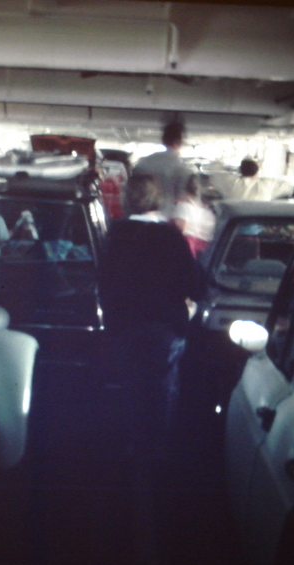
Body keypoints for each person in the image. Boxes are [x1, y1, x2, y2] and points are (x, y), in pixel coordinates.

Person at [99, 174, 205, 449]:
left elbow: (103, 283)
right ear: (158, 200)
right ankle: (158, 449)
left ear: (127, 200)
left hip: (125, 326)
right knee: (162, 391)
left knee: (130, 389)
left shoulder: (115, 235)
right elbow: (195, 286)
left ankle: (132, 448)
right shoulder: (171, 237)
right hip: (165, 327)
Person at [131, 121, 194, 219]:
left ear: (163, 140)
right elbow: (182, 196)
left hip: (140, 216)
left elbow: (131, 190)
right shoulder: (182, 168)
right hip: (167, 217)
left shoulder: (143, 162)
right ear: (180, 142)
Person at [172, 174, 215, 258]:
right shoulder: (209, 212)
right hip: (205, 253)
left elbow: (179, 233)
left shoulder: (184, 207)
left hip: (187, 251)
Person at [211, 157, 293, 201]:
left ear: (241, 171)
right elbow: (288, 188)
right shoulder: (267, 185)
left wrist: (218, 161)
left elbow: (217, 172)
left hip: (234, 222)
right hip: (258, 222)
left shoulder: (232, 182)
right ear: (257, 172)